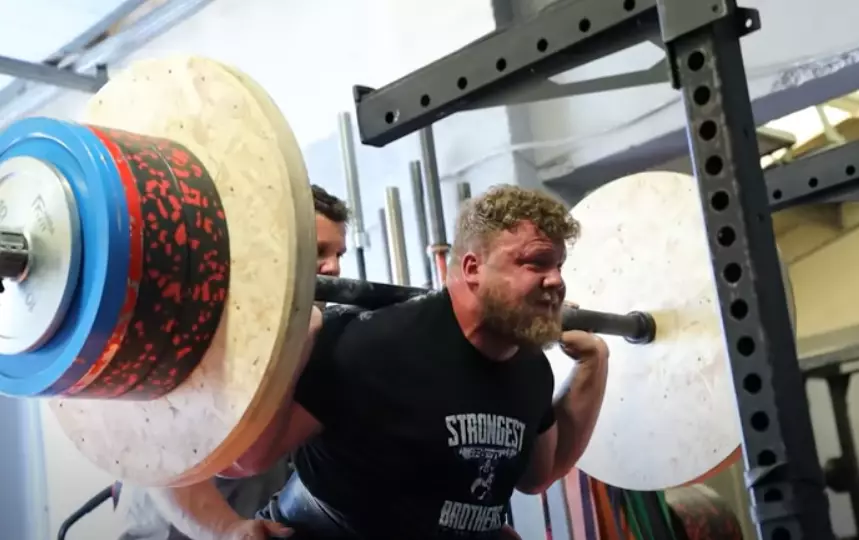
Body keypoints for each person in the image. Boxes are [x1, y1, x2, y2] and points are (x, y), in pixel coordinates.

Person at [151, 184, 610, 540]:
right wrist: (225, 529)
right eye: (536, 263)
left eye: (559, 266)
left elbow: (538, 476)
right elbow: (229, 460)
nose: (555, 280)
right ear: (471, 268)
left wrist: (595, 366)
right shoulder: (367, 346)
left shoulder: (529, 368)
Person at [115, 185, 350, 540]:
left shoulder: (304, 334)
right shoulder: (203, 330)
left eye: (338, 254)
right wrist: (226, 528)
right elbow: (158, 455)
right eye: (319, 251)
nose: (333, 268)